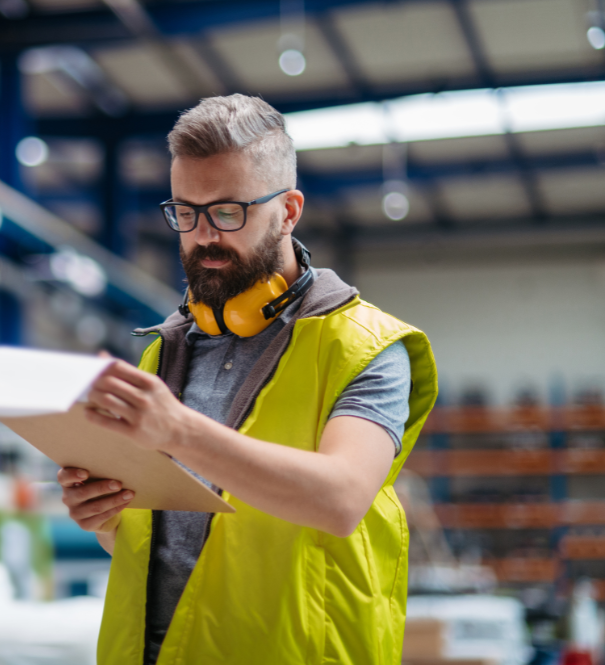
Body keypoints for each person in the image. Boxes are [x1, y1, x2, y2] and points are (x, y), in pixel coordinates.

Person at [57, 94, 438, 664]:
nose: (203, 234)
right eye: (185, 212)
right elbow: (169, 547)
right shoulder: (164, 354)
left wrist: (178, 431)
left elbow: (340, 499)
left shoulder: (366, 349)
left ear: (288, 211)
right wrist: (105, 519)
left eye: (228, 211)